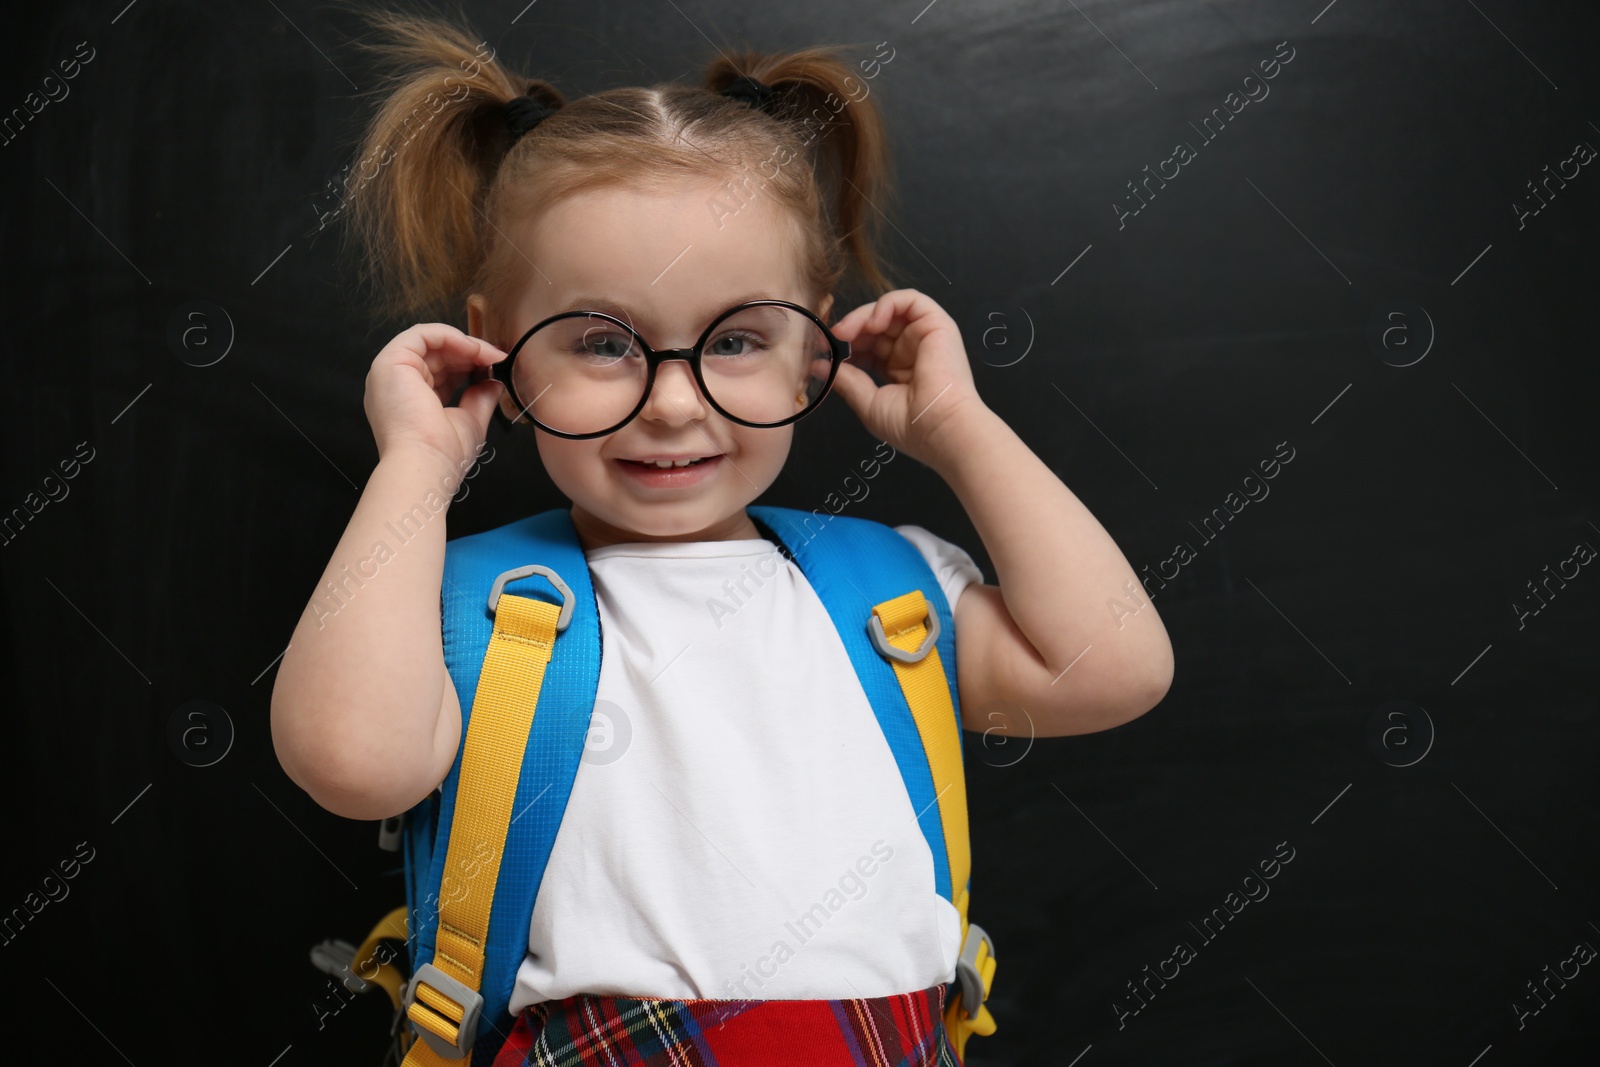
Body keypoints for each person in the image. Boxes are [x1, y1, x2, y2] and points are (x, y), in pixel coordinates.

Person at [270, 10, 1175, 1066]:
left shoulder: (887, 597)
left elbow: (1116, 668)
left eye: (737, 339)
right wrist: (414, 468)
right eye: (602, 343)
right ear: (498, 351)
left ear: (811, 347)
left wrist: (960, 433)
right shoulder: (461, 599)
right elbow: (352, 763)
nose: (670, 404)